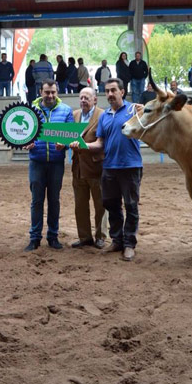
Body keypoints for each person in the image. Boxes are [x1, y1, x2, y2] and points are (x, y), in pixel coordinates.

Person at [71, 78, 142, 262]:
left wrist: (144, 109)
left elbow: (150, 118)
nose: (110, 94)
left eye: (113, 90)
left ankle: (129, 244)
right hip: (109, 167)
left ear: (122, 92)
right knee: (112, 206)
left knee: (131, 206)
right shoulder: (104, 117)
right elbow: (100, 143)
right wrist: (83, 145)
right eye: (107, 91)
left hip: (130, 166)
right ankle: (117, 240)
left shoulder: (133, 110)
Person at [23, 79, 74, 251]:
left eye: (53, 92)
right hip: (36, 162)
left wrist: (64, 144)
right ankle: (35, 238)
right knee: (36, 201)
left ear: (57, 92)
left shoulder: (66, 111)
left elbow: (71, 136)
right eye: (47, 92)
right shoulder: (30, 110)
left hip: (56, 163)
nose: (50, 95)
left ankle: (53, 236)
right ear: (40, 92)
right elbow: (24, 134)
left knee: (54, 201)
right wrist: (26, 143)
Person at [70, 87, 107, 249]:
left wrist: (82, 145)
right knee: (80, 205)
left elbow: (102, 143)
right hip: (77, 168)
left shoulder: (103, 115)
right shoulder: (74, 115)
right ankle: (85, 237)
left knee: (100, 205)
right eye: (81, 98)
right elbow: (68, 137)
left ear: (95, 100)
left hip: (96, 167)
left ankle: (100, 237)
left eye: (87, 98)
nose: (83, 100)